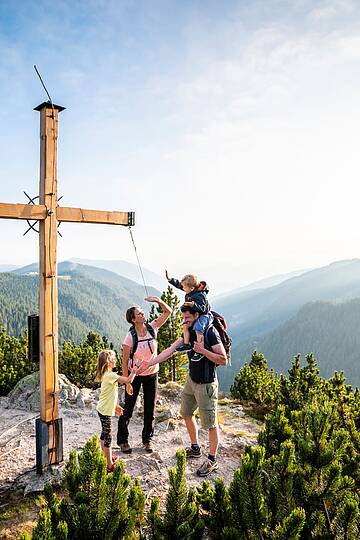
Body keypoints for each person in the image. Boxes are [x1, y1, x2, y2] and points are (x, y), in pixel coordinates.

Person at [137, 305, 227, 476]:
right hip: (191, 381)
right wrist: (149, 363)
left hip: (206, 384)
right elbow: (169, 351)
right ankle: (195, 448)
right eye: (184, 318)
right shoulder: (188, 333)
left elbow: (222, 359)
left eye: (188, 318)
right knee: (186, 413)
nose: (185, 321)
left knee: (210, 424)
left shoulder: (209, 332)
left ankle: (212, 460)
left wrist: (203, 351)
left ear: (197, 315)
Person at [117, 296, 173, 454]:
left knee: (150, 408)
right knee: (128, 409)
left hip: (152, 374)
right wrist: (127, 381)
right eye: (139, 314)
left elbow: (168, 311)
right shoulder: (130, 337)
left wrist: (159, 302)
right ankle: (122, 440)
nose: (143, 314)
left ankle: (147, 439)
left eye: (142, 312)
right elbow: (124, 361)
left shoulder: (152, 328)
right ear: (133, 320)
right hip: (134, 376)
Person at [95, 349, 136, 473]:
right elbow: (128, 380)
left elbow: (109, 394)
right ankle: (109, 465)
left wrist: (116, 406)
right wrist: (134, 370)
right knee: (108, 437)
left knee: (104, 434)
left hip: (103, 409)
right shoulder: (111, 375)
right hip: (105, 411)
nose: (116, 360)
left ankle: (105, 457)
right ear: (108, 362)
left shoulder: (106, 375)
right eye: (113, 358)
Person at [165, 270, 213, 359]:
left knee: (198, 328)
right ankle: (187, 345)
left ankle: (200, 351)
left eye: (184, 287)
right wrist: (170, 279)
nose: (182, 288)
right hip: (194, 313)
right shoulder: (190, 290)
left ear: (191, 288)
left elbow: (204, 309)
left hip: (204, 315)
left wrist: (193, 305)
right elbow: (179, 285)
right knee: (185, 326)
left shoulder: (200, 295)